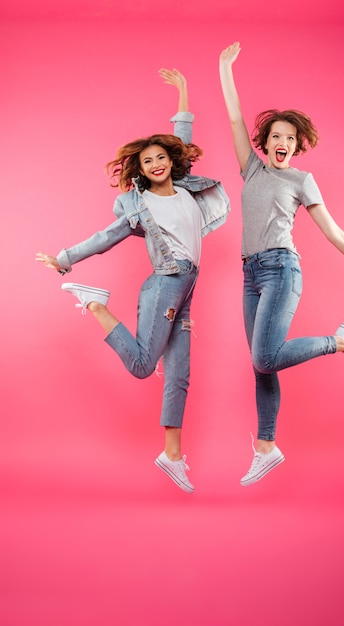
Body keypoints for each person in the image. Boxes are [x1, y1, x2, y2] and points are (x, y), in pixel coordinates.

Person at [219, 42, 344, 487]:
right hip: (249, 273)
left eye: (289, 137)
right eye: (275, 136)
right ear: (263, 144)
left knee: (265, 357)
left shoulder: (301, 180)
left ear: (296, 146)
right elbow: (233, 118)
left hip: (282, 270)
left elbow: (331, 229)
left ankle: (339, 342)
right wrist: (224, 69)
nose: (282, 142)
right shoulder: (252, 170)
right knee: (260, 364)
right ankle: (266, 447)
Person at [36, 69, 230, 494]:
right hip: (166, 283)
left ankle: (172, 456)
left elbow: (181, 133)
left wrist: (182, 90)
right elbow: (105, 238)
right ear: (140, 171)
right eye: (148, 161)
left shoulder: (185, 189)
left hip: (187, 288)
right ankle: (96, 304)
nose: (157, 163)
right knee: (145, 367)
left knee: (179, 375)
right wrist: (65, 259)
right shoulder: (139, 208)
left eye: (161, 157)